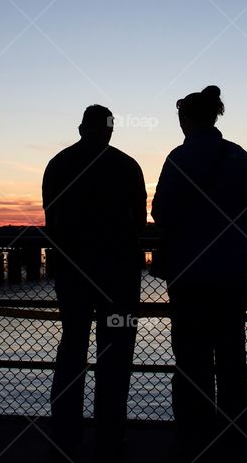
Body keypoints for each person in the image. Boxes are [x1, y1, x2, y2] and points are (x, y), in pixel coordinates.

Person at [151, 85, 247, 460]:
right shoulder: (238, 157)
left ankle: (194, 436)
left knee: (191, 358)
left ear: (186, 119)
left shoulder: (178, 159)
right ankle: (236, 436)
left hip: (188, 273)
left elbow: (161, 213)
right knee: (232, 355)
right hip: (231, 270)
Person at [42, 105, 147, 460]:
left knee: (72, 348)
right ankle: (111, 436)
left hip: (72, 272)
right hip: (118, 274)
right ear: (110, 130)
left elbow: (51, 218)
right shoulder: (128, 166)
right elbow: (139, 223)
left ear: (81, 128)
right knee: (116, 355)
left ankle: (66, 433)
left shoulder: (58, 164)